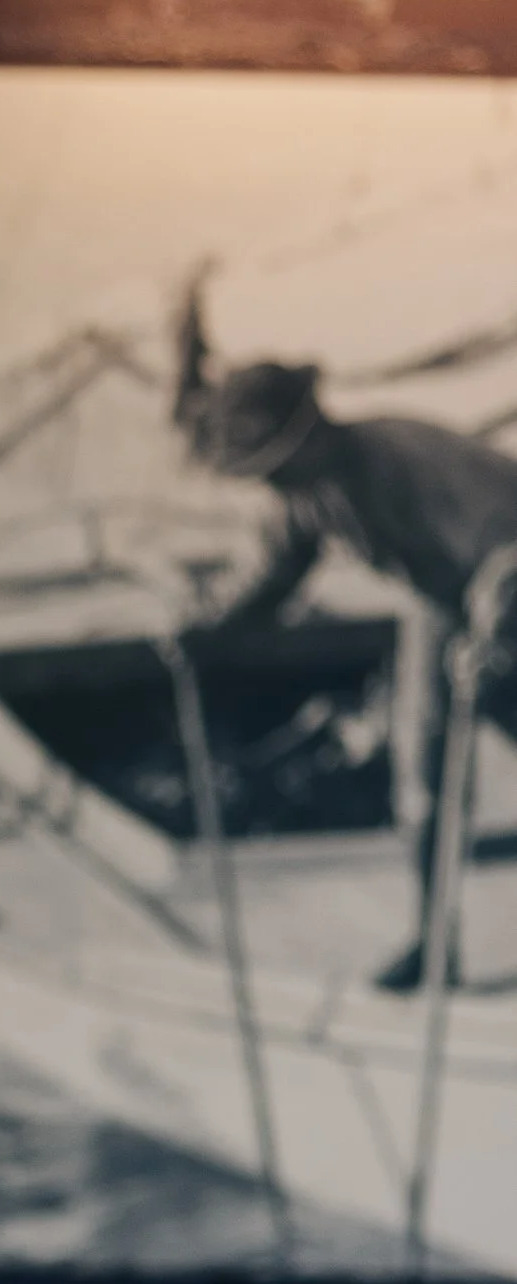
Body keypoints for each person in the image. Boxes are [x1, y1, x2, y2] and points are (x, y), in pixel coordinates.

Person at [174, 286, 517, 990]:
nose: (268, 484)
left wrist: (494, 638)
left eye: (271, 466)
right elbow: (273, 571)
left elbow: (504, 548)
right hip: (443, 608)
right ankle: (432, 940)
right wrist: (204, 629)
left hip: (506, 592)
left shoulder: (407, 456)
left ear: (307, 437)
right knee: (420, 784)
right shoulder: (305, 495)